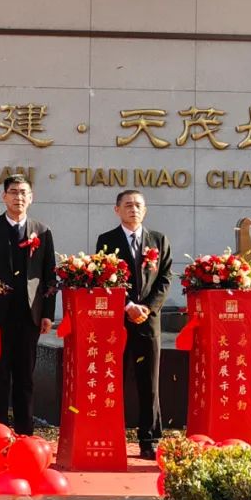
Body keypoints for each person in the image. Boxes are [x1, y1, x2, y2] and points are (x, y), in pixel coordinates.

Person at [0, 174, 56, 435]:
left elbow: (49, 275)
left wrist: (48, 313)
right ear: (4, 196)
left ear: (31, 198)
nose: (18, 197)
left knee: (25, 377)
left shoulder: (42, 231)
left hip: (29, 314)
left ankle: (24, 432)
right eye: (13, 192)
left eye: (23, 193)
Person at [95, 189, 173, 460]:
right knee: (112, 379)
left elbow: (165, 278)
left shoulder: (158, 240)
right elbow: (105, 277)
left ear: (145, 210)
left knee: (149, 383)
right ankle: (109, 435)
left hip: (148, 323)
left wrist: (147, 308)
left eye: (138, 205)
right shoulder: (107, 241)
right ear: (117, 209)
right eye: (128, 205)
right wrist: (127, 305)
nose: (133, 209)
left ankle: (149, 440)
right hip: (117, 322)